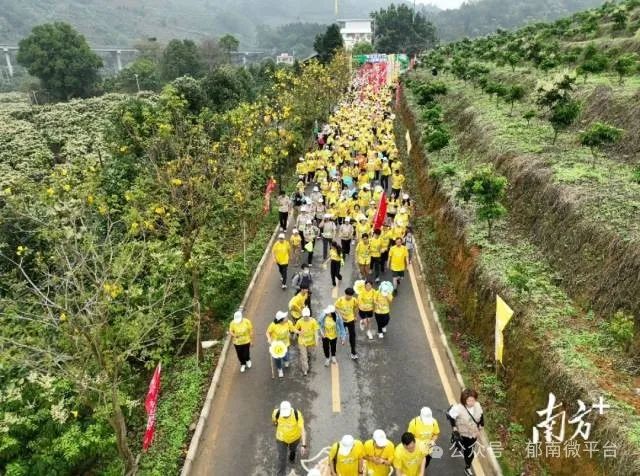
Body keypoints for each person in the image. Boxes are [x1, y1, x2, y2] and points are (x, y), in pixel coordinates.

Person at [447, 389, 484, 476]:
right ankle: (455, 441)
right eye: (469, 400)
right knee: (459, 444)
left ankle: (467, 467)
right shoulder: (458, 408)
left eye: (473, 400)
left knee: (469, 452)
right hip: (461, 433)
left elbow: (481, 415)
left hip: (472, 435)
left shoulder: (478, 405)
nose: (471, 402)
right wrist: (454, 428)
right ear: (464, 400)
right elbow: (451, 417)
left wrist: (481, 425)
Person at [272, 401, 307, 476]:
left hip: (295, 439)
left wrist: (304, 445)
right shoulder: (276, 413)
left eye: (286, 416)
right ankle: (280, 474)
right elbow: (275, 422)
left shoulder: (297, 414)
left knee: (293, 451)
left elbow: (303, 430)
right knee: (282, 458)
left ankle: (292, 457)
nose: (285, 417)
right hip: (281, 439)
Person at [266, 311, 295, 378]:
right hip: (276, 345)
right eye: (285, 317)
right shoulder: (273, 325)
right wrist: (269, 338)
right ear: (281, 320)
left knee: (286, 356)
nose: (287, 318)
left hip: (286, 343)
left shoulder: (288, 322)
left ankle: (286, 360)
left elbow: (293, 329)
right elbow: (267, 332)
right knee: (278, 358)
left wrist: (298, 332)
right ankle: (279, 369)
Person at [335, 287, 359, 359]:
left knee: (352, 336)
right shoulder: (340, 300)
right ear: (345, 294)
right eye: (348, 295)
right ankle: (342, 337)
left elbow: (356, 308)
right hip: (342, 320)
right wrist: (340, 316)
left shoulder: (354, 300)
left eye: (351, 295)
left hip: (350, 320)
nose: (349, 297)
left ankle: (353, 352)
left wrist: (355, 316)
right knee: (340, 332)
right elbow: (336, 308)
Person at [295, 307, 319, 376]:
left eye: (307, 316)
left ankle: (308, 355)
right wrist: (299, 332)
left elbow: (315, 331)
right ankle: (305, 369)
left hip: (311, 342)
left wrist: (316, 340)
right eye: (304, 316)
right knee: (303, 356)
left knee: (309, 352)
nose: (306, 317)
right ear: (302, 315)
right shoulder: (299, 321)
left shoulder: (313, 321)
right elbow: (295, 329)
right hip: (302, 342)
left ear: (309, 315)